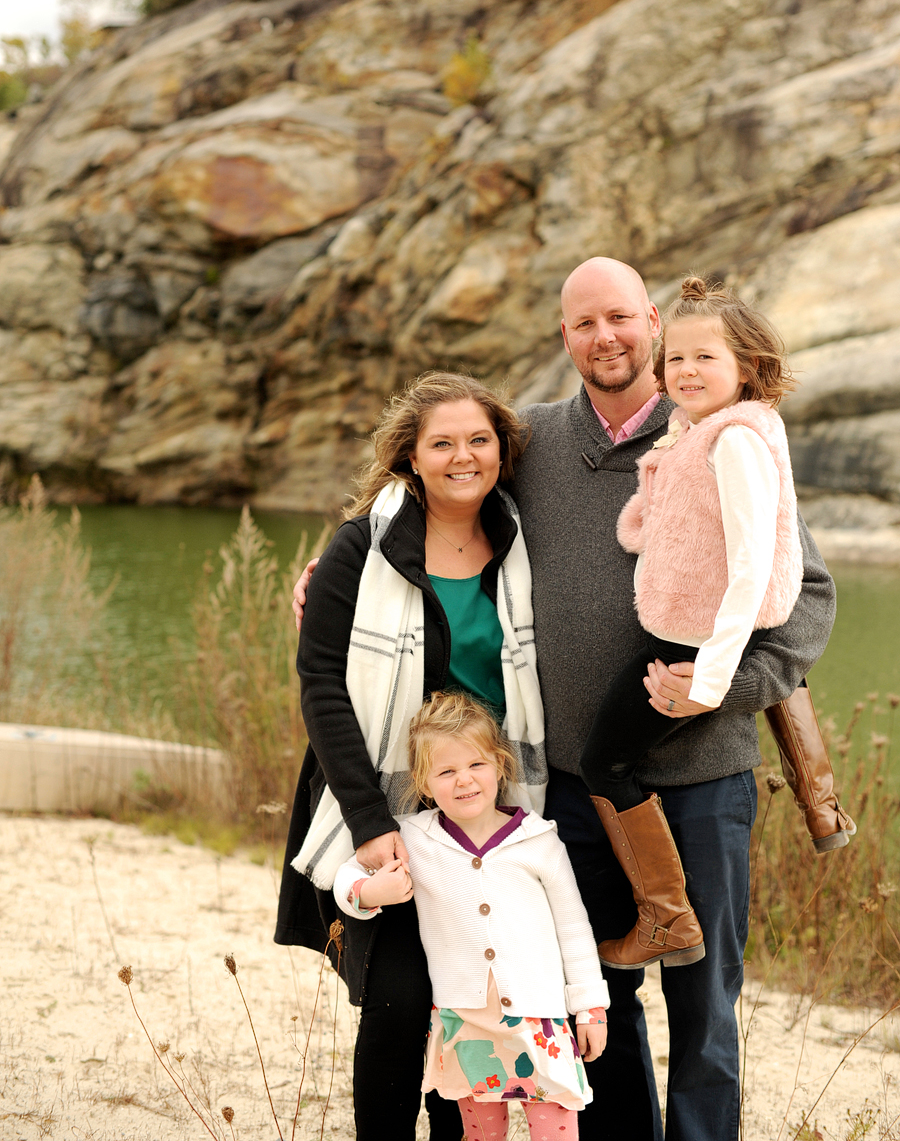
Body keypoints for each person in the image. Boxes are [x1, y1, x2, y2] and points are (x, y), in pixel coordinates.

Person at [290, 257, 838, 1141]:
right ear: (564, 337)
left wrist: (718, 687)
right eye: (585, 323)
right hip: (576, 788)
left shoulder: (720, 433)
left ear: (654, 323)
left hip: (702, 779)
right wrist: (338, 560)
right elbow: (432, 481)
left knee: (705, 1008)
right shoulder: (533, 443)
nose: (606, 337)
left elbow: (804, 596)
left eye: (621, 317)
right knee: (591, 996)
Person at [274, 371, 548, 1141]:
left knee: (466, 1010)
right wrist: (367, 820)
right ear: (412, 456)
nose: (464, 456)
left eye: (479, 440)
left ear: (502, 450)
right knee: (397, 1005)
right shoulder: (364, 544)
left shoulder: (524, 539)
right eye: (443, 443)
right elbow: (320, 679)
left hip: (492, 816)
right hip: (388, 805)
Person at [577, 275, 854, 973]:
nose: (687, 371)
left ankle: (667, 918)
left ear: (747, 369)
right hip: (691, 624)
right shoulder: (697, 435)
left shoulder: (735, 443)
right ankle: (822, 808)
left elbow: (752, 568)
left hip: (696, 636)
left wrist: (712, 675)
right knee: (614, 753)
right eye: (677, 359)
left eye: (707, 358)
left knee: (604, 760)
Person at [334, 692, 609, 1141]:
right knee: (481, 1136)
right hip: (466, 1025)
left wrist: (590, 1007)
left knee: (557, 1133)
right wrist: (370, 891)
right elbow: (345, 878)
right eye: (446, 771)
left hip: (541, 1020)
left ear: (500, 765)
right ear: (423, 783)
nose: (464, 781)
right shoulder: (413, 840)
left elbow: (574, 929)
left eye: (476, 765)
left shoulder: (538, 840)